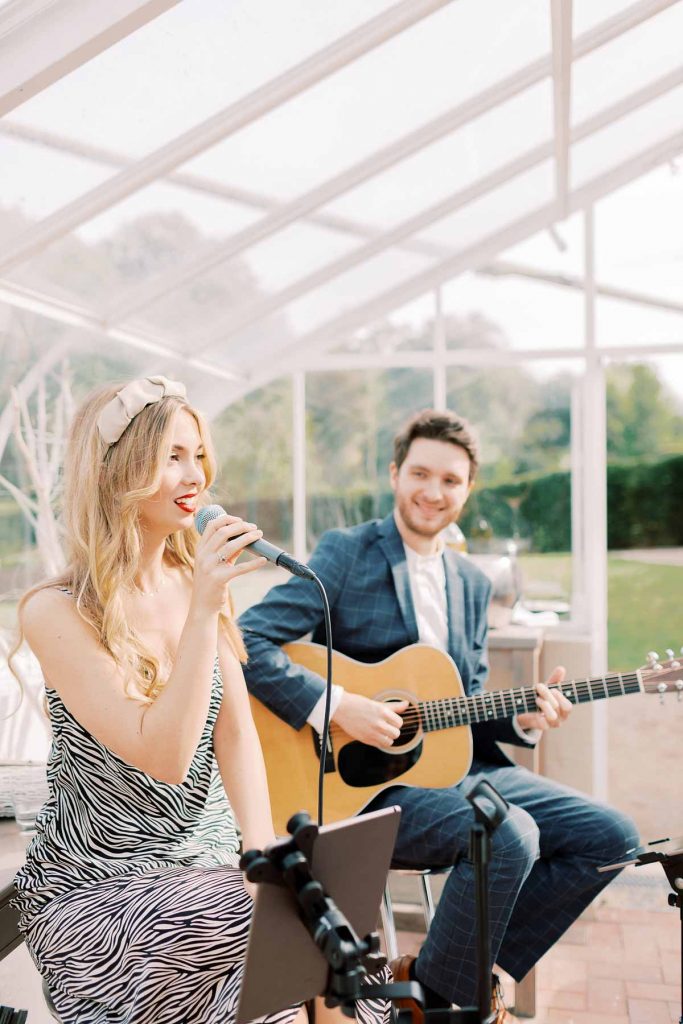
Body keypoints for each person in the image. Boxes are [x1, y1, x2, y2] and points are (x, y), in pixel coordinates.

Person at [239, 408, 640, 1019]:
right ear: (396, 474)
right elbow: (249, 642)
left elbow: (467, 705)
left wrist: (523, 719)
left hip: (458, 769)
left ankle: (446, 982)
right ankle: (449, 1005)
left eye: (450, 481)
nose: (433, 492)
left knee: (612, 838)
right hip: (358, 786)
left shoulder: (472, 584)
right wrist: (340, 705)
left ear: (468, 489)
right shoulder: (347, 554)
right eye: (420, 473)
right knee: (508, 832)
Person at [10, 377, 387, 1024]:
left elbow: (235, 734)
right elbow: (166, 754)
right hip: (100, 885)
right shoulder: (56, 611)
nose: (195, 475)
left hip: (211, 867)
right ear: (119, 472)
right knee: (272, 933)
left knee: (326, 926)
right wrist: (204, 608)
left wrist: (264, 852)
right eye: (172, 457)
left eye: (198, 455)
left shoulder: (191, 582)